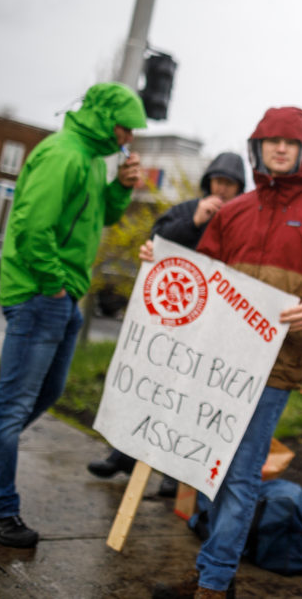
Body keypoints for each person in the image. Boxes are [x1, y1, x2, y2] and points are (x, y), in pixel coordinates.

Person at [150, 106, 302, 599]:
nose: (280, 149)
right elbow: (199, 277)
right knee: (211, 467)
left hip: (275, 366)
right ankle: (210, 571)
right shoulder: (235, 212)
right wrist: (159, 260)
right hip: (220, 359)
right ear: (257, 148)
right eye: (270, 142)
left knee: (241, 473)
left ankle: (215, 584)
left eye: (289, 143)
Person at [0, 82, 146, 548]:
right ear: (106, 118)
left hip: (61, 298)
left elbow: (98, 217)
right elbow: (28, 227)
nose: (128, 139)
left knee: (47, 392)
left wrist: (120, 189)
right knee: (14, 405)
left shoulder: (87, 160)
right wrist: (53, 284)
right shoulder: (63, 154)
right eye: (126, 127)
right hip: (43, 295)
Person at [86, 151, 246, 496]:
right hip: (175, 318)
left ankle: (174, 473)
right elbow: (156, 241)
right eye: (218, 181)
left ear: (240, 188)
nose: (222, 189)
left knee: (190, 398)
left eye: (229, 183)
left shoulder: (245, 221)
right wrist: (196, 222)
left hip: (214, 325)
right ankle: (124, 456)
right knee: (153, 389)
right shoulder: (189, 209)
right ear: (208, 182)